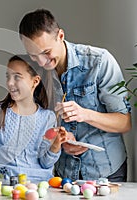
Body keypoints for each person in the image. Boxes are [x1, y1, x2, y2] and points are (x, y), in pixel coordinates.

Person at [18, 8, 132, 182]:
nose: (41, 62)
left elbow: (124, 122)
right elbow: (36, 126)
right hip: (63, 173)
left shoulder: (100, 61)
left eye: (46, 52)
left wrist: (84, 114)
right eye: (33, 55)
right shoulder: (35, 73)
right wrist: (59, 141)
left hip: (105, 171)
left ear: (61, 36)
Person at [0, 55, 68, 182]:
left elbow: (46, 163)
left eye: (17, 77)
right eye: (8, 77)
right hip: (5, 183)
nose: (10, 83)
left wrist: (56, 145)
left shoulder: (47, 117)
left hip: (39, 184)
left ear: (35, 81)